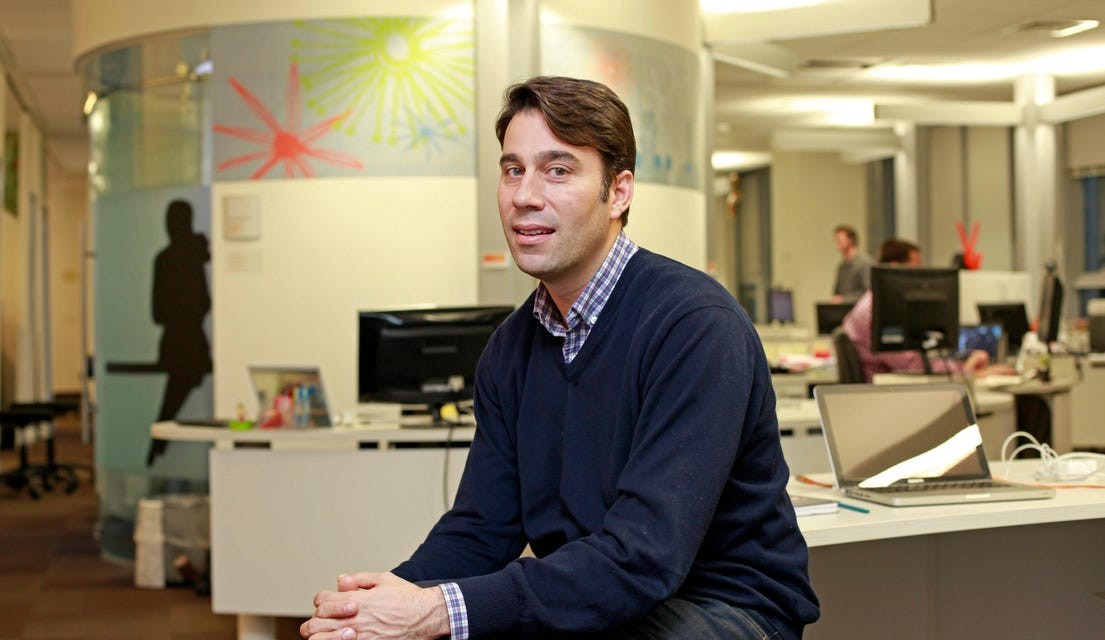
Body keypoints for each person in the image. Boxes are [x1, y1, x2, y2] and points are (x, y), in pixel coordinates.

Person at [300, 76, 819, 640]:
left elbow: (643, 558)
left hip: (726, 608)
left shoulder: (694, 326)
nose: (524, 195)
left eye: (558, 170)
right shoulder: (510, 348)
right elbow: (481, 528)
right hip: (602, 596)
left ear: (618, 193)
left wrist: (438, 610)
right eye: (513, 170)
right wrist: (387, 602)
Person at [841, 238, 1012, 383]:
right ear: (895, 267)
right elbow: (912, 366)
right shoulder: (878, 311)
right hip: (889, 392)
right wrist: (967, 372)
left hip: (893, 387)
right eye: (915, 267)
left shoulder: (875, 302)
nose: (919, 275)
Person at [830, 224, 873, 303]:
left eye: (840, 239)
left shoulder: (865, 263)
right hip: (844, 309)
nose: (837, 242)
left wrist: (844, 299)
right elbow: (837, 293)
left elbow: (869, 294)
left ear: (850, 240)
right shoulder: (842, 267)